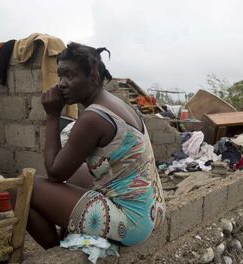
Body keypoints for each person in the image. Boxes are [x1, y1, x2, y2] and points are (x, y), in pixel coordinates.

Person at [25, 42, 165, 249]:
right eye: (60, 76)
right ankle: (70, 229)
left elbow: (55, 172)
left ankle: (56, 252)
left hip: (132, 223)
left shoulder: (92, 118)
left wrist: (53, 115)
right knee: (78, 172)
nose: (62, 84)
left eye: (70, 76)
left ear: (92, 76)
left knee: (25, 188)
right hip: (152, 209)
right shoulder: (113, 103)